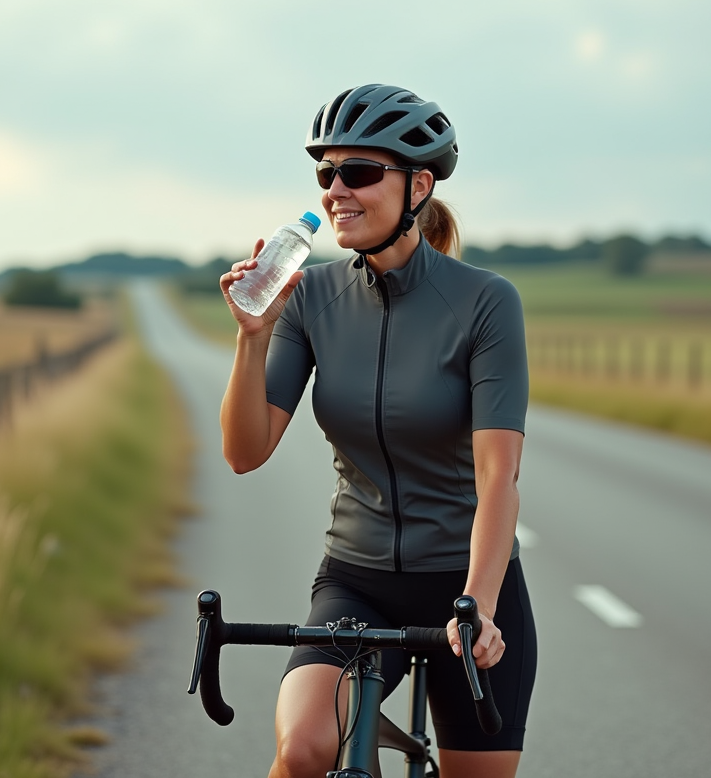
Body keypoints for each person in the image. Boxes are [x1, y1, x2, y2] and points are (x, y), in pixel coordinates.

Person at [218, 84, 536, 778]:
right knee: (302, 750)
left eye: (359, 172)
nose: (337, 190)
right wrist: (253, 337)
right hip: (356, 582)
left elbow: (498, 476)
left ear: (418, 186)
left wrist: (479, 606)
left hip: (467, 583)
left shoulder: (485, 302)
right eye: (326, 173)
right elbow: (244, 453)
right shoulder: (310, 297)